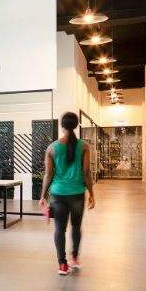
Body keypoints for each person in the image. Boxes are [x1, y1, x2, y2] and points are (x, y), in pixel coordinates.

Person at [39, 112, 96, 276]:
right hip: (77, 193)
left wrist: (43, 195)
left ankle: (62, 265)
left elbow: (48, 174)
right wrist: (92, 193)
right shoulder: (84, 146)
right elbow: (87, 172)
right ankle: (75, 258)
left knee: (59, 229)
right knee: (76, 226)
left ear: (62, 126)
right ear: (76, 125)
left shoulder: (52, 148)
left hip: (58, 194)